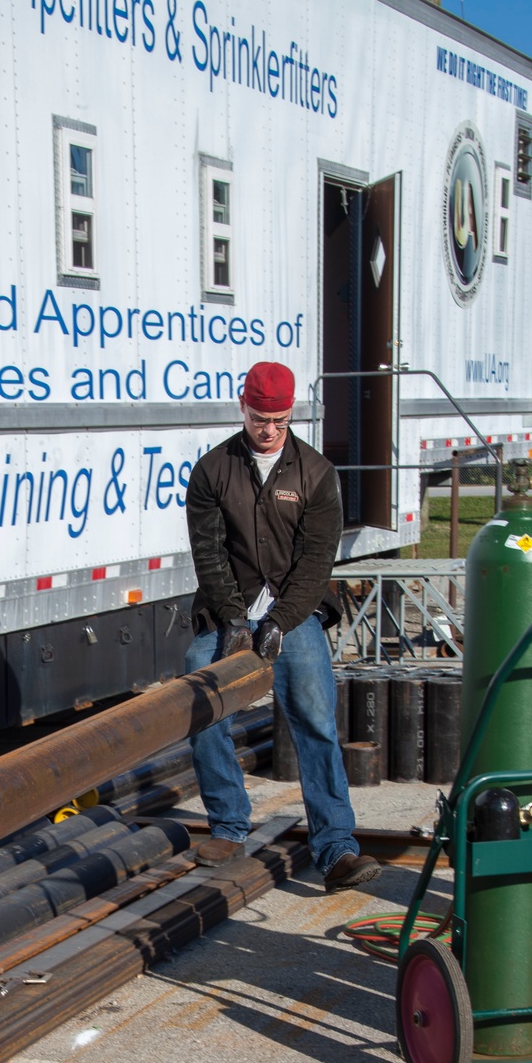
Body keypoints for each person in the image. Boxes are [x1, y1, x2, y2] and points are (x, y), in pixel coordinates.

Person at [184, 360, 380, 894]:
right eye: (258, 418)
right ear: (242, 408)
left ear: (292, 414)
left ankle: (336, 846)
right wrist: (231, 618)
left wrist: (280, 622)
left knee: (316, 719)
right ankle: (228, 826)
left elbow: (317, 561)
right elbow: (209, 553)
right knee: (199, 695)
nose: (268, 429)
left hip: (295, 613)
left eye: (279, 420)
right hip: (230, 608)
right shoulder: (212, 471)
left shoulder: (316, 473)